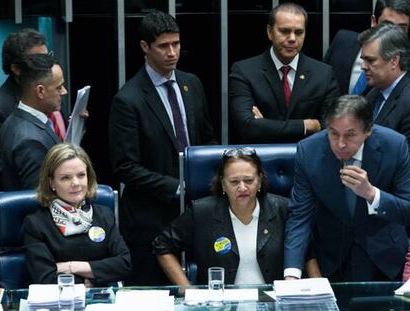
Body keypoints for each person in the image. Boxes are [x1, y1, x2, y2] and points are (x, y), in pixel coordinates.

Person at [108, 10, 217, 285]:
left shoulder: (192, 83)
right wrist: (177, 187)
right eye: (163, 46)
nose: (172, 52)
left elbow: (207, 139)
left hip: (198, 210)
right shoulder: (128, 99)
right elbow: (125, 166)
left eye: (176, 44)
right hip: (151, 218)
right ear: (145, 47)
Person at [284, 95, 410, 282]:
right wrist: (292, 273)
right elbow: (300, 216)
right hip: (332, 259)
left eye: (350, 135)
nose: (340, 144)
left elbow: (407, 210)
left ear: (368, 130)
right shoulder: (308, 150)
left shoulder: (395, 145)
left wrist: (371, 194)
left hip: (385, 259)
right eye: (333, 133)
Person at [153, 148, 320, 285]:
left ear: (260, 181)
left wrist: (320, 291)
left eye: (249, 180)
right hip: (222, 305)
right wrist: (185, 288)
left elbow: (307, 252)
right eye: (234, 182)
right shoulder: (201, 212)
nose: (242, 187)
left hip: (272, 302)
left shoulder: (283, 209)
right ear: (223, 183)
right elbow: (162, 245)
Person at [229, 2, 339, 144]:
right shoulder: (244, 71)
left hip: (308, 159)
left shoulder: (323, 74)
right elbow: (248, 127)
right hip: (260, 160)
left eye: (299, 32)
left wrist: (265, 125)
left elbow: (331, 128)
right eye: (285, 31)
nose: (292, 38)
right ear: (270, 32)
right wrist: (307, 125)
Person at [23, 143, 131, 286]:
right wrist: (90, 278)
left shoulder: (104, 215)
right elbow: (45, 278)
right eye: (65, 178)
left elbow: (124, 264)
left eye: (81, 175)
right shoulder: (36, 224)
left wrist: (70, 267)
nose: (75, 183)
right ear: (51, 183)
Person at [0, 28, 69, 191]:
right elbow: (39, 197)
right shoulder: (27, 138)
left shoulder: (36, 105)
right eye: (59, 88)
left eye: (46, 56)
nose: (64, 92)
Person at [324, 0, 410, 95]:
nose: (393, 35)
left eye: (401, 28)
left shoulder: (404, 67)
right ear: (374, 21)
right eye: (387, 26)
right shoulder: (343, 42)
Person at [359, 22, 410, 145]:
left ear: (394, 61)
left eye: (370, 60)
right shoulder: (372, 94)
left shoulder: (408, 101)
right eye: (363, 60)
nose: (363, 67)